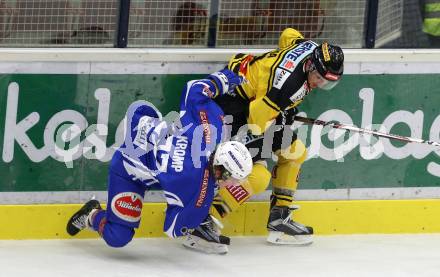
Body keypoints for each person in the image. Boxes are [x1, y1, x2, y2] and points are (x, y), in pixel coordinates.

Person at [66, 69, 253, 255]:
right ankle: (90, 215)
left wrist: (223, 81)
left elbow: (194, 89)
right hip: (128, 168)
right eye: (233, 179)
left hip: (141, 124)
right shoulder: (195, 184)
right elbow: (172, 228)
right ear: (221, 170)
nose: (233, 184)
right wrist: (195, 216)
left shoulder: (212, 129)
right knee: (118, 236)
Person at [209, 28, 344, 245]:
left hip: (252, 97)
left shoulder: (308, 47)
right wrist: (280, 115)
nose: (320, 84)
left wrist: (281, 112)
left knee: (296, 153)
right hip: (232, 108)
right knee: (257, 177)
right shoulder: (287, 87)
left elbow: (288, 34)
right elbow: (255, 121)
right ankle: (207, 217)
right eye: (318, 77)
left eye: (326, 81)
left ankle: (279, 216)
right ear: (310, 65)